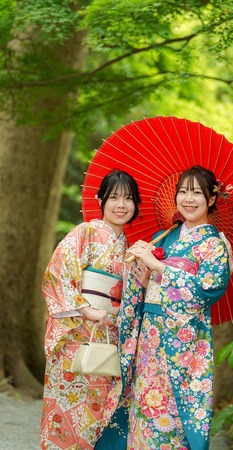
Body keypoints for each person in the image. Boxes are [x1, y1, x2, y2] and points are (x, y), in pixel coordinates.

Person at [116, 165, 232, 450]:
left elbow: (206, 290)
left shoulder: (214, 245)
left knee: (170, 411)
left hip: (182, 341)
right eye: (183, 192)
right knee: (144, 406)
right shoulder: (167, 235)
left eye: (196, 193)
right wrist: (143, 278)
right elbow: (152, 285)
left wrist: (158, 266)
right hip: (149, 335)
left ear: (212, 199)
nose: (188, 199)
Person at [40, 169, 141, 450]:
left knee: (96, 416)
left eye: (129, 199)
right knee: (66, 412)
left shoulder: (130, 249)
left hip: (108, 335)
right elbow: (56, 274)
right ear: (100, 200)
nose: (122, 205)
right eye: (114, 198)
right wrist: (85, 309)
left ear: (136, 205)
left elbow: (132, 296)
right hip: (76, 333)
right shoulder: (85, 232)